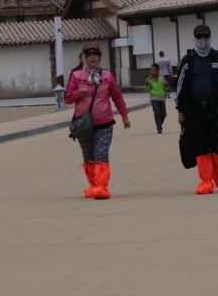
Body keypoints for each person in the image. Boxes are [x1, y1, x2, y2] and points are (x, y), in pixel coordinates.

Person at [65, 42, 130, 199]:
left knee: (101, 153)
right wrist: (77, 94)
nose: (92, 56)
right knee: (88, 156)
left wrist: (124, 115)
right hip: (84, 124)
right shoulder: (76, 76)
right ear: (85, 57)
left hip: (104, 122)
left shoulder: (107, 75)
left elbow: (117, 96)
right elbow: (67, 99)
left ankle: (101, 187)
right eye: (89, 54)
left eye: (95, 54)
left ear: (100, 56)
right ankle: (93, 185)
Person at [176, 24, 218, 194]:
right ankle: (206, 181)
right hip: (193, 111)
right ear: (194, 38)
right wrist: (180, 110)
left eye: (205, 37)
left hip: (214, 110)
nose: (202, 40)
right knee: (199, 146)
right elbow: (180, 86)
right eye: (199, 37)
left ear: (210, 37)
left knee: (217, 144)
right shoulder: (187, 60)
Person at [145, 64, 168, 133]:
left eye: (153, 70)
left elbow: (164, 88)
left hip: (162, 98)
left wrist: (166, 85)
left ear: (157, 71)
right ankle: (159, 127)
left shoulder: (162, 78)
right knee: (157, 113)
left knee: (163, 114)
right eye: (151, 70)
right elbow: (147, 90)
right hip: (154, 98)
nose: (152, 71)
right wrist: (146, 84)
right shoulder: (149, 79)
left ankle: (159, 124)